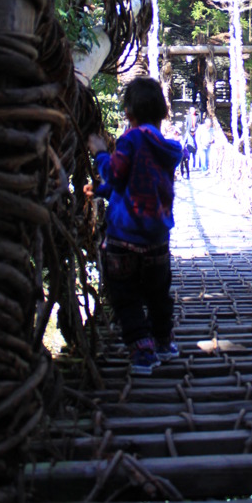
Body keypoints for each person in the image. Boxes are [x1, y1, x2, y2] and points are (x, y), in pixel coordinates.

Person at [88, 78, 183, 375]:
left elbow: (116, 176)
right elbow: (139, 183)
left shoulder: (130, 140)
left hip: (123, 237)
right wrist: (99, 192)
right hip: (157, 238)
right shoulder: (169, 149)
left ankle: (142, 351)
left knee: (125, 294)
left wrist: (101, 153)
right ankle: (164, 342)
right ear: (163, 113)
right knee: (158, 292)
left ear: (128, 112)